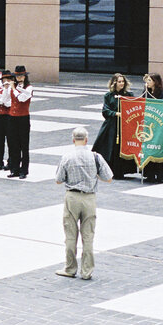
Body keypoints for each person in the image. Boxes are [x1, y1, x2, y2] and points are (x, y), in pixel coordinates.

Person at [55, 127, 113, 280]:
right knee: (88, 236)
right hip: (89, 198)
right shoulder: (95, 157)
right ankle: (87, 271)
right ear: (86, 140)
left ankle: (70, 267)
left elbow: (58, 179)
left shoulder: (67, 157)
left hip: (72, 197)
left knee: (70, 235)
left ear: (73, 139)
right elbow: (108, 177)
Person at [91, 73, 137, 179]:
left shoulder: (129, 95)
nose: (121, 83)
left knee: (122, 147)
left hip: (124, 125)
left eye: (123, 81)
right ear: (114, 83)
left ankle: (120, 171)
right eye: (119, 81)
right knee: (108, 147)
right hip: (111, 125)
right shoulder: (108, 95)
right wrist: (115, 113)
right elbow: (105, 110)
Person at [142, 73, 163, 183]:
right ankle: (149, 173)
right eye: (146, 81)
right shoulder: (145, 92)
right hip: (149, 124)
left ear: (155, 82)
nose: (147, 83)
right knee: (149, 146)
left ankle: (161, 173)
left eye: (149, 81)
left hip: (160, 126)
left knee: (161, 147)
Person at [7, 65, 34, 179]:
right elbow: (6, 100)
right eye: (17, 76)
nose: (19, 78)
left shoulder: (29, 88)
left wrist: (13, 88)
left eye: (21, 76)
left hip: (23, 118)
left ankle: (24, 170)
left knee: (24, 145)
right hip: (12, 118)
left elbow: (21, 98)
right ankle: (15, 169)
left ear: (25, 76)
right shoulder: (12, 86)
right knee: (14, 145)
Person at [0, 70, 14, 171]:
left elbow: (7, 103)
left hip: (8, 116)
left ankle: (10, 161)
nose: (5, 81)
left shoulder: (12, 90)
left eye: (7, 79)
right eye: (4, 80)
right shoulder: (0, 89)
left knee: (10, 140)